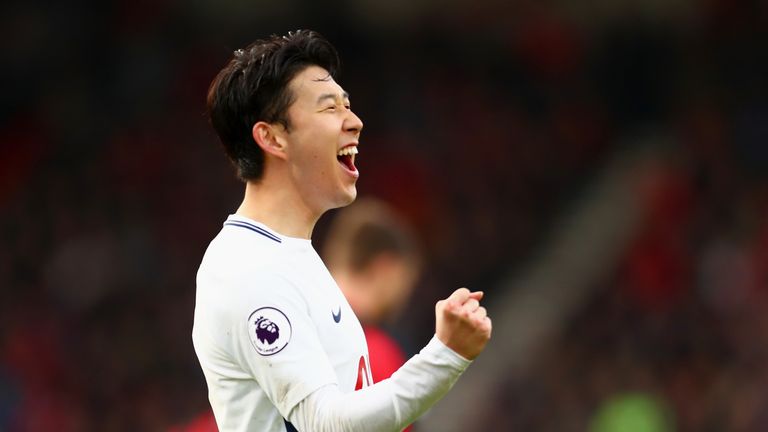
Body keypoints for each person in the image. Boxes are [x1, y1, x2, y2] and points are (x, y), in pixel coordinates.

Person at [192, 30, 492, 432]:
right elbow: (324, 423)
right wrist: (445, 355)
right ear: (272, 137)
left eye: (347, 105)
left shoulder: (291, 255)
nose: (355, 121)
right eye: (329, 108)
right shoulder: (249, 269)